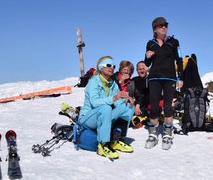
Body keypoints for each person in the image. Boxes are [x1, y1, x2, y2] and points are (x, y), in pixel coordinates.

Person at [78, 56, 135, 159]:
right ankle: (103, 145)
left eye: (113, 66)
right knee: (106, 108)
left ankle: (117, 139)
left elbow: (117, 102)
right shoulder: (93, 82)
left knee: (128, 107)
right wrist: (113, 98)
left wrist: (125, 100)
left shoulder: (113, 84)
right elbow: (95, 102)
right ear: (101, 67)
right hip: (88, 118)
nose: (112, 67)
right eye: (108, 65)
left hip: (104, 115)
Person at [144, 17, 183, 150]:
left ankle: (167, 135)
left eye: (165, 25)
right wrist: (147, 57)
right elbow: (148, 63)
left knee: (168, 107)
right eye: (161, 25)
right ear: (155, 29)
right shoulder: (150, 43)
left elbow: (179, 60)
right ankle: (153, 135)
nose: (164, 27)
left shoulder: (174, 42)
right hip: (154, 78)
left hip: (170, 78)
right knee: (154, 107)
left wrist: (180, 78)